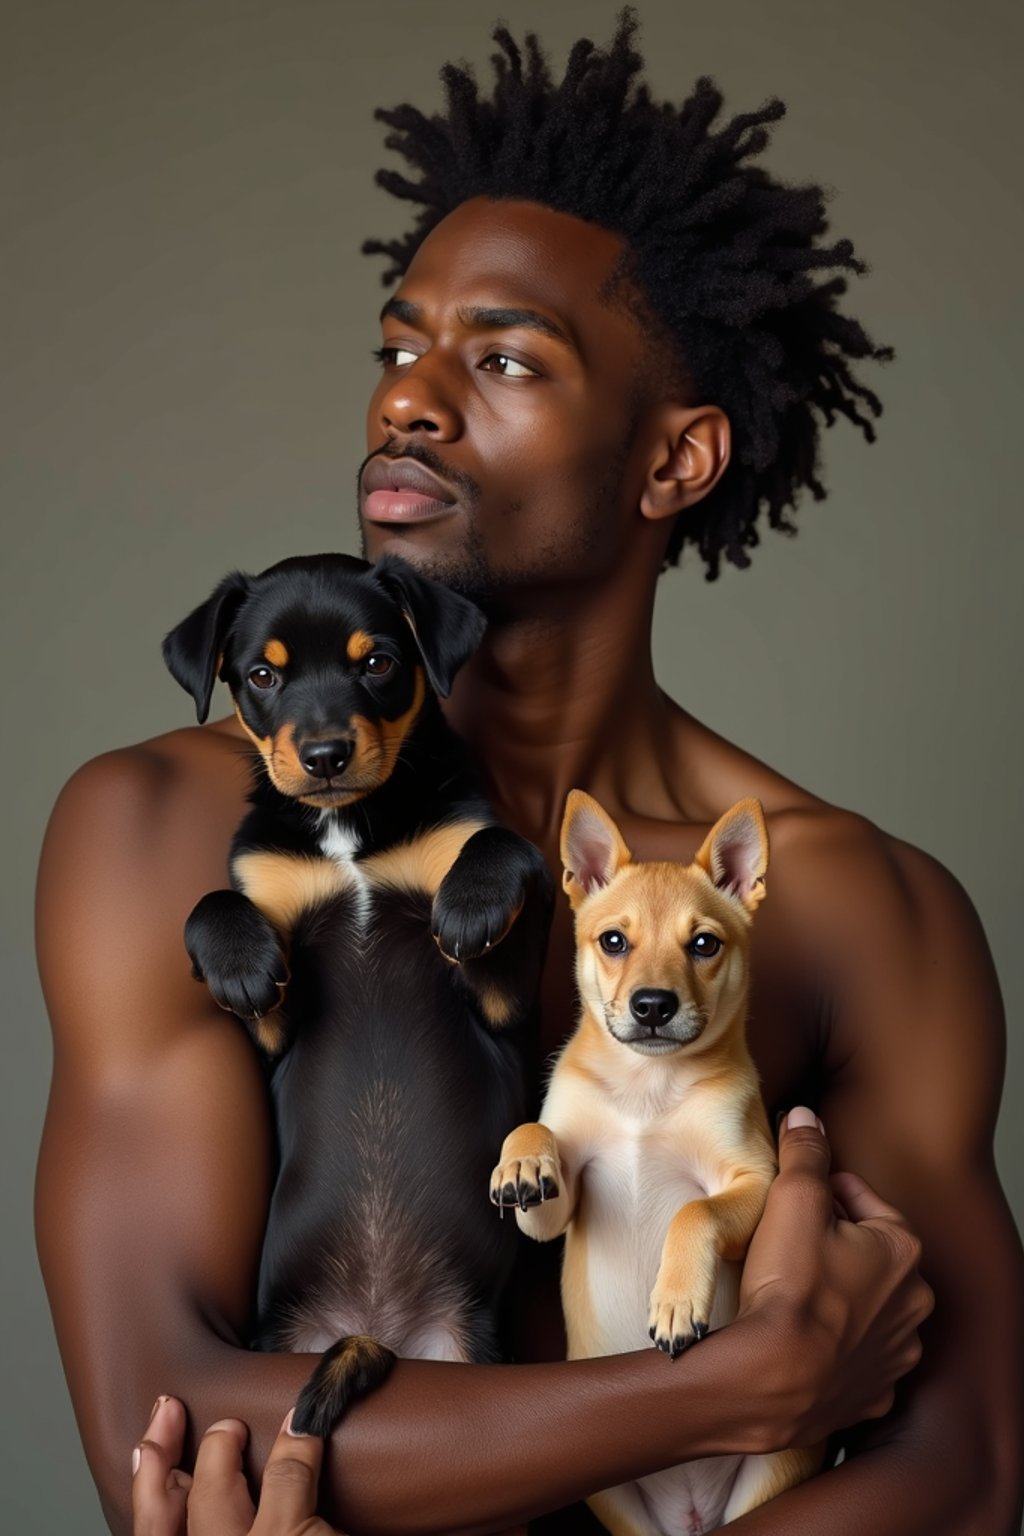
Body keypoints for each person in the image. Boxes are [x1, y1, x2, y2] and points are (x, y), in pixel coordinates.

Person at [35, 13, 1019, 1535]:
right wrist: (739, 1388)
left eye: (499, 358)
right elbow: (162, 1423)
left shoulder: (869, 912)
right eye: (398, 346)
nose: (406, 400)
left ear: (675, 462)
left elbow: (963, 1477)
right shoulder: (162, 827)